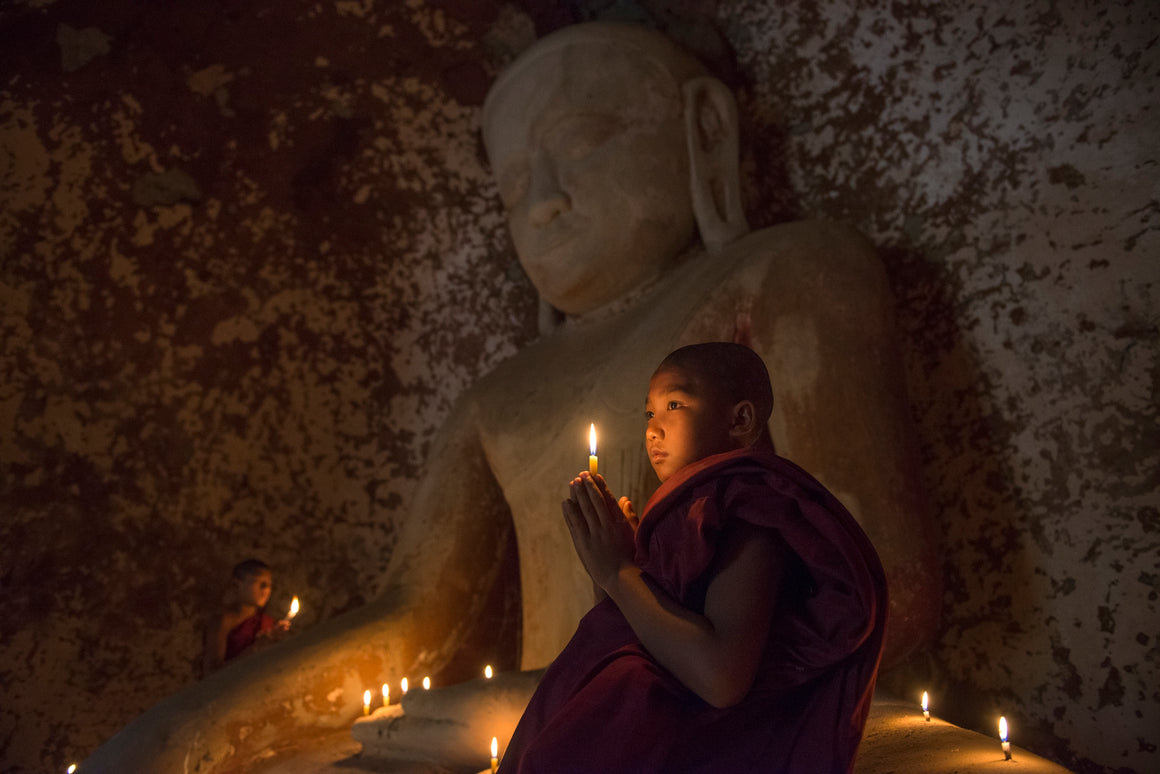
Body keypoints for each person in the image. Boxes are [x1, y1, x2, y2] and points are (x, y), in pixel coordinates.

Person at [84, 22, 936, 772]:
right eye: (513, 181)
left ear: (704, 132)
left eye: (586, 137)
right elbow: (415, 614)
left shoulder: (791, 270)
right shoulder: (505, 390)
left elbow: (870, 583)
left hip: (728, 717)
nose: (544, 203)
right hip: (549, 709)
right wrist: (187, 728)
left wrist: (563, 687)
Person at [498, 343, 886, 773]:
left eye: (674, 405)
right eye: (648, 413)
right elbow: (635, 640)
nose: (652, 429)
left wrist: (619, 572)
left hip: (720, 740)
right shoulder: (688, 513)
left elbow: (721, 678)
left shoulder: (750, 514)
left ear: (739, 420)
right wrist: (614, 567)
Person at [201, 559, 290, 676]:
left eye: (269, 585)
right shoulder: (224, 622)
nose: (266, 589)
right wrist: (257, 647)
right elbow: (212, 673)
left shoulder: (269, 623)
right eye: (258, 582)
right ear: (237, 585)